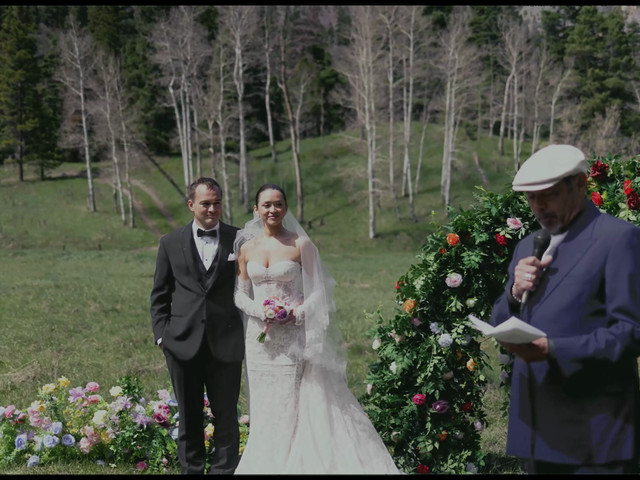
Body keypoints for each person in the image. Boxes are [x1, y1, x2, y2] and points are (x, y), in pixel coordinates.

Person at [489, 144, 640, 474]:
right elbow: (499, 320)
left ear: (581, 184)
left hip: (594, 434)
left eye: (549, 195)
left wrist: (553, 349)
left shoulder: (618, 239)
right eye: (531, 198)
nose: (538, 206)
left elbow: (630, 333)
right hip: (536, 428)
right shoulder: (528, 245)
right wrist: (514, 293)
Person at [233, 183, 400, 474]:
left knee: (292, 401)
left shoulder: (300, 244)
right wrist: (260, 311)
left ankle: (294, 462)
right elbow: (240, 294)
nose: (273, 210)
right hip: (260, 341)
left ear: (285, 208)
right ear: (256, 210)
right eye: (267, 205)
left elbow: (320, 290)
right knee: (265, 402)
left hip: (293, 337)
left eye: (278, 204)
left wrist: (295, 313)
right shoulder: (247, 248)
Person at [150, 177, 244, 474]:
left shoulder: (239, 239)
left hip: (226, 343)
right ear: (191, 205)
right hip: (181, 342)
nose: (212, 209)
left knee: (226, 415)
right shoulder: (170, 243)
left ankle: (223, 471)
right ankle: (191, 470)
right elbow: (160, 294)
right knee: (189, 416)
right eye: (205, 203)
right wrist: (161, 336)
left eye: (217, 203)